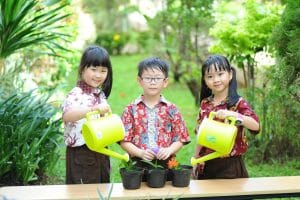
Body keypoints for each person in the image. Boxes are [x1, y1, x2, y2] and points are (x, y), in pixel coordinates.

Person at [120, 57, 190, 180]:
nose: (153, 82)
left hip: (166, 162)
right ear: (139, 81)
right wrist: (140, 153)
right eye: (148, 78)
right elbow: (124, 140)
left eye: (157, 78)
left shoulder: (172, 109)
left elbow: (181, 138)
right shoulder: (130, 109)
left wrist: (169, 150)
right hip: (138, 163)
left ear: (165, 82)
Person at [192, 54, 260, 179]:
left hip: (231, 165)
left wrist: (233, 114)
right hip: (207, 164)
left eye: (220, 74)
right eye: (210, 76)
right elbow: (201, 134)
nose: (216, 79)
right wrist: (195, 158)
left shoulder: (238, 103)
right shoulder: (205, 104)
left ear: (230, 75)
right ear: (205, 81)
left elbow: (255, 126)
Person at [61, 45, 113, 184]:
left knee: (101, 186)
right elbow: (67, 115)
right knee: (83, 191)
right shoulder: (76, 93)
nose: (98, 75)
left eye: (103, 70)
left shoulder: (99, 94)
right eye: (93, 69)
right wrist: (93, 109)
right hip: (81, 151)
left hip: (100, 148)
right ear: (83, 69)